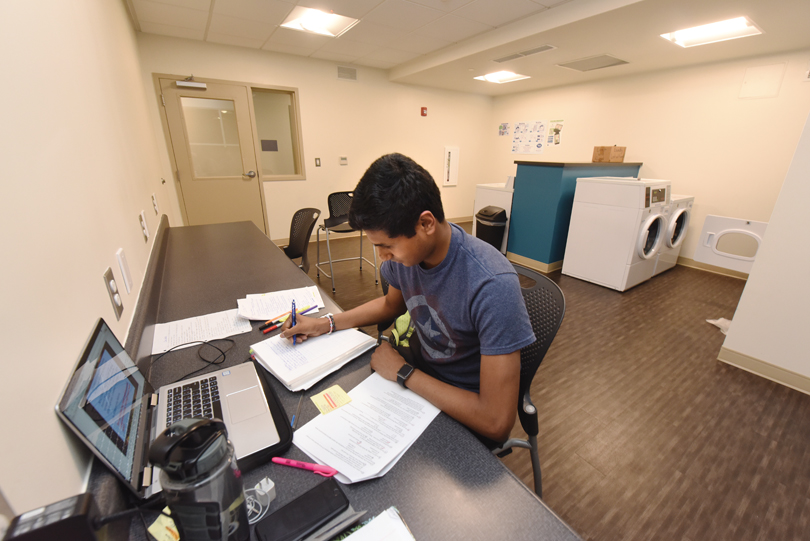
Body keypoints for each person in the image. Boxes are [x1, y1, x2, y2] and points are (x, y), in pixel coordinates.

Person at [281, 153, 535, 444]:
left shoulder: (491, 284)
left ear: (425, 224)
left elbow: (495, 422)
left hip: (461, 408)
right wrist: (324, 323)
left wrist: (404, 373)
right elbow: (391, 305)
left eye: (387, 246)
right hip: (419, 379)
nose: (383, 257)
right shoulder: (407, 260)